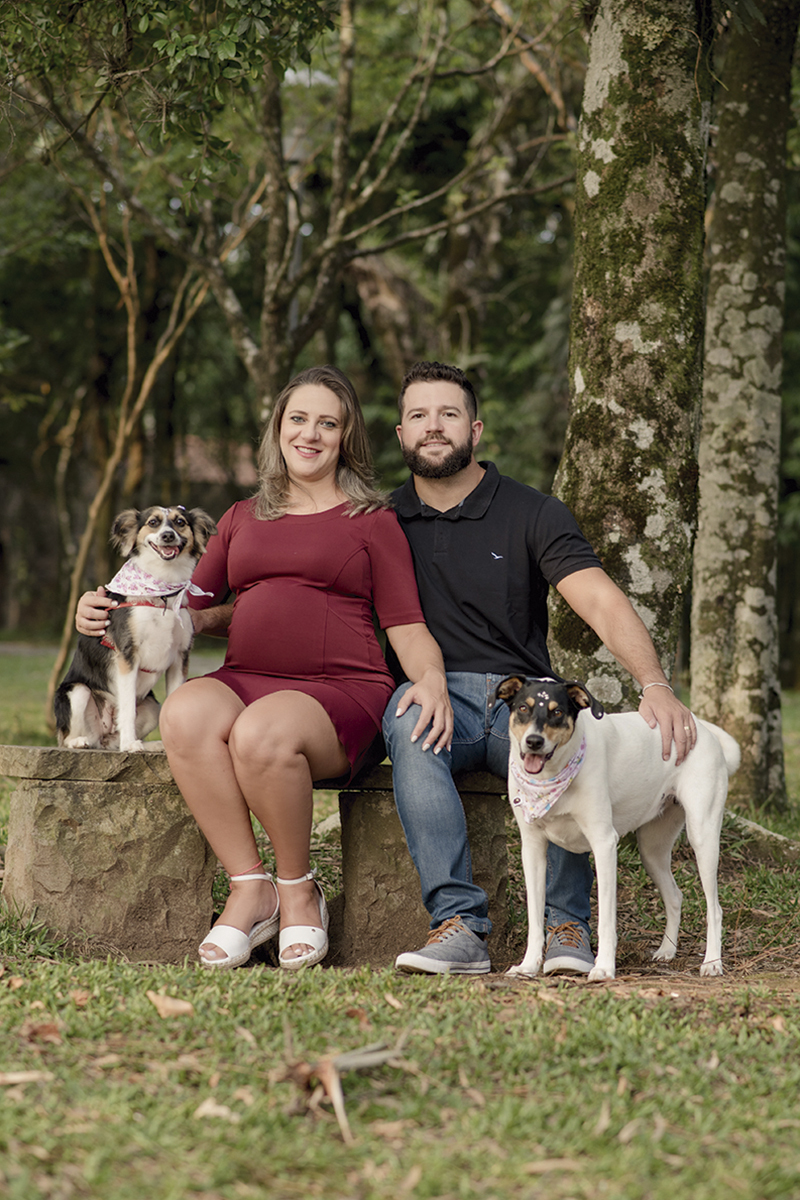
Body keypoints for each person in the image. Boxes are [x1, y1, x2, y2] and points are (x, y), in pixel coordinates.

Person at [75, 365, 452, 971]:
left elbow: (405, 623)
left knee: (260, 732)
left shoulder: (372, 520)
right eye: (298, 419)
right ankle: (252, 889)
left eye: (327, 423)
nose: (310, 434)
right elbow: (182, 602)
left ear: (346, 436)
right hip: (246, 677)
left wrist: (430, 679)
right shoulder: (242, 516)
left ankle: (299, 889)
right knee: (184, 712)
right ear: (279, 429)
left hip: (340, 690)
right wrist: (101, 607)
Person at [382, 360, 697, 976]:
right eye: (419, 415)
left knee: (576, 751)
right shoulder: (380, 520)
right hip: (434, 696)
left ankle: (566, 925)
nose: (433, 426)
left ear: (475, 430)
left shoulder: (532, 512)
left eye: (449, 413)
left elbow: (599, 600)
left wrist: (654, 684)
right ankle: (459, 927)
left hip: (522, 703)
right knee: (407, 724)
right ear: (401, 434)